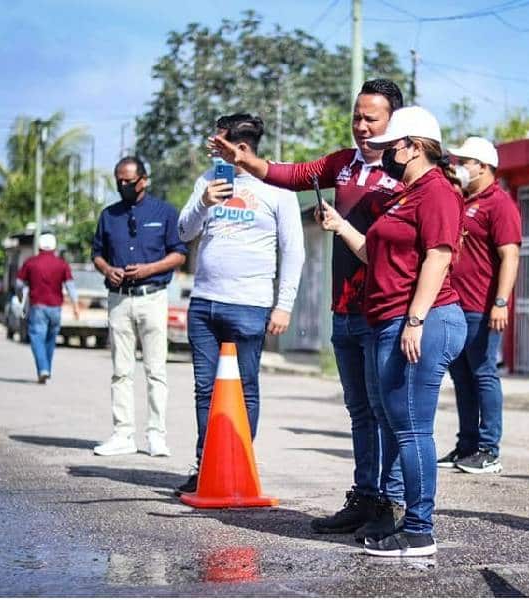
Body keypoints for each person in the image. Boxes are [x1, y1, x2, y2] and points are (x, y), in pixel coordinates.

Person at [208, 79, 405, 540]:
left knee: (386, 409)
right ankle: (365, 495)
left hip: (385, 309)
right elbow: (291, 175)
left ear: (393, 121)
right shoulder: (342, 163)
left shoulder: (404, 171)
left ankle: (391, 505)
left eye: (370, 118)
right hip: (346, 308)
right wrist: (246, 162)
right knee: (358, 409)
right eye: (356, 116)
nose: (360, 126)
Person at [320, 106, 467, 557]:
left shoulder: (437, 192)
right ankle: (402, 518)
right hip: (388, 319)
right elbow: (374, 255)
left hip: (424, 319)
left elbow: (439, 256)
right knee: (395, 422)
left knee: (411, 429)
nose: (384, 153)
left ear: (415, 146)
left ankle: (420, 529)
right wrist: (341, 226)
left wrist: (416, 319)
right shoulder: (406, 194)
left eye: (392, 146)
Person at [175, 113, 305, 494]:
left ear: (242, 148)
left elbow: (293, 250)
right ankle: (207, 465)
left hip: (250, 305)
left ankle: (238, 464)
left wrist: (284, 305)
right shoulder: (208, 179)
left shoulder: (277, 185)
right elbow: (184, 232)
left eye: (220, 143)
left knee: (245, 387)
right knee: (205, 388)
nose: (213, 148)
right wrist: (202, 202)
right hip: (204, 304)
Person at [91, 157, 187, 457]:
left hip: (153, 297)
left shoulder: (166, 212)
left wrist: (149, 269)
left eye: (128, 181)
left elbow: (179, 254)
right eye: (118, 181)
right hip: (119, 300)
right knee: (121, 371)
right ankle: (123, 434)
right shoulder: (109, 215)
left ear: (143, 180)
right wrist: (107, 269)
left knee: (155, 370)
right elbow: (97, 254)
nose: (122, 186)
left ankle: (156, 435)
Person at [438, 137, 521, 475]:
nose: (460, 166)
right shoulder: (466, 200)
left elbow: (510, 255)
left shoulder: (499, 203)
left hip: (481, 308)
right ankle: (467, 444)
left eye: (466, 161)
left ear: (483, 166)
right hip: (456, 306)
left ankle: (489, 449)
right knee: (462, 377)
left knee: (484, 374)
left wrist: (500, 302)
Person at [15, 233, 80, 383]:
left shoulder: (31, 263)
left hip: (38, 306)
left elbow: (19, 284)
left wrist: (20, 298)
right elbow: (70, 286)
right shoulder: (62, 264)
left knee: (37, 338)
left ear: (39, 246)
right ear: (55, 246)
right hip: (56, 308)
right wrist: (75, 305)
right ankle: (47, 370)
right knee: (50, 340)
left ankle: (43, 369)